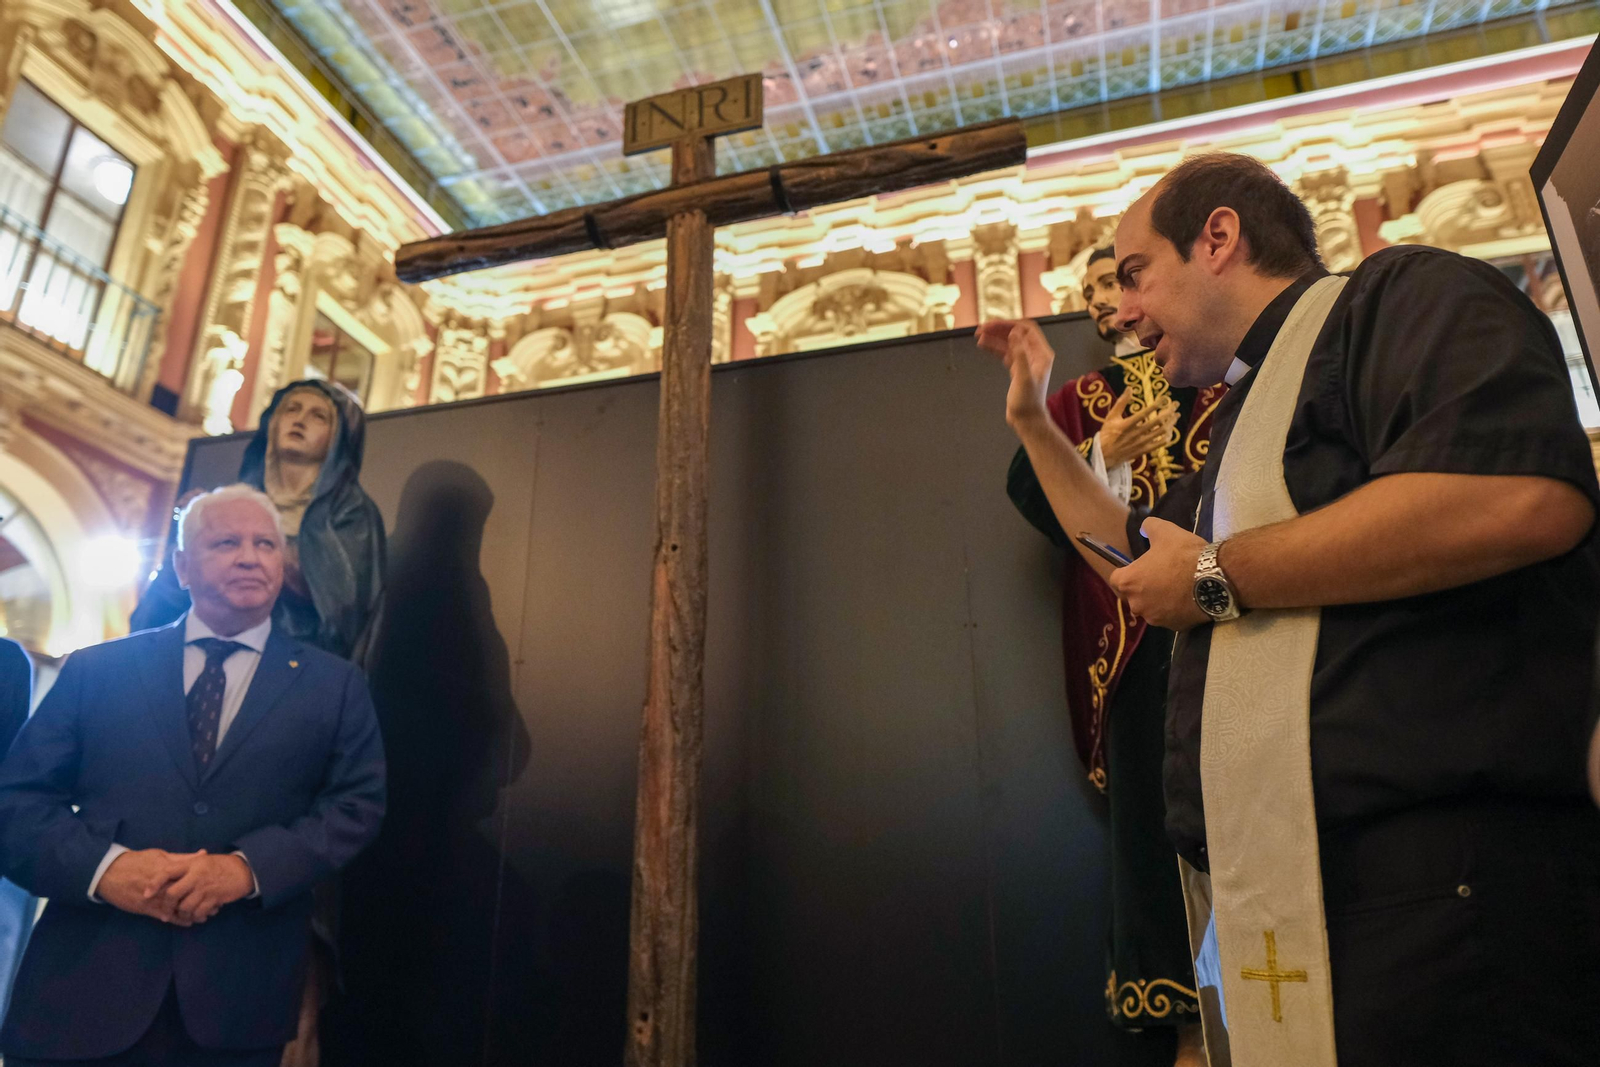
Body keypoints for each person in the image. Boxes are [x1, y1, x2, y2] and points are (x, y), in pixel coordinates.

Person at [979, 153, 1600, 1065]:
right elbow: (1131, 547)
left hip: (1449, 884)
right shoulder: (1244, 416)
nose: (1124, 310)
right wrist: (1034, 422)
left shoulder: (1401, 295)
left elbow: (1516, 494)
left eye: (1136, 273)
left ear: (1218, 238)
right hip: (1310, 887)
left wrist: (1216, 577)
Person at [0, 484, 386, 1066]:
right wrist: (107, 870)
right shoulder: (97, 670)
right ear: (181, 567)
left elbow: (357, 808)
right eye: (226, 542)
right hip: (83, 991)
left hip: (237, 1003)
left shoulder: (335, 687)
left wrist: (245, 870)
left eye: (265, 544)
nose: (250, 557)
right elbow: (17, 806)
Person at [1007, 245, 1218, 1062]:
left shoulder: (1217, 371)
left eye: (1118, 279)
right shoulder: (1079, 399)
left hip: (1239, 611)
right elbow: (1032, 491)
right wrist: (1104, 451)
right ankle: (1188, 1024)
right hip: (1135, 643)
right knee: (1156, 825)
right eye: (1093, 287)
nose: (1106, 298)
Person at [133, 380, 385, 663]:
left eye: (318, 416)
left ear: (338, 436)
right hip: (213, 649)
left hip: (296, 658)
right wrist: (194, 531)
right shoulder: (234, 501)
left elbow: (344, 604)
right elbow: (172, 595)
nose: (299, 421)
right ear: (273, 423)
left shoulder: (351, 511)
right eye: (291, 409)